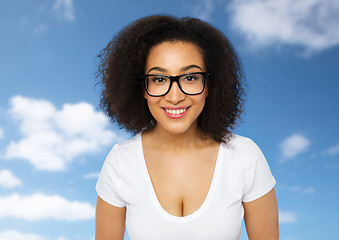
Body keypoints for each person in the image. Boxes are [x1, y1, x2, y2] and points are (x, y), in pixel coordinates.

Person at [95, 15, 278, 240]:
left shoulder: (245, 157)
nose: (175, 96)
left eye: (190, 77)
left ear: (209, 85)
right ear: (142, 87)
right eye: (159, 79)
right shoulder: (120, 162)